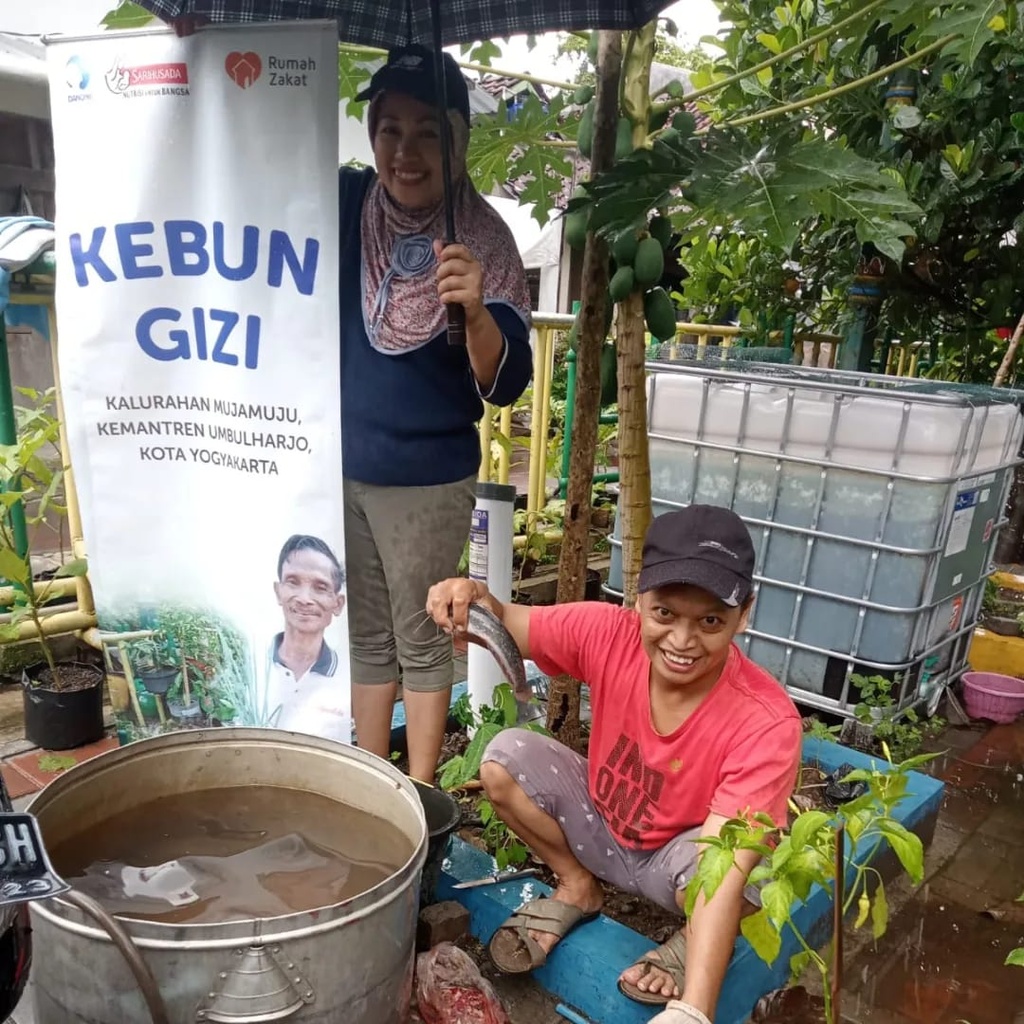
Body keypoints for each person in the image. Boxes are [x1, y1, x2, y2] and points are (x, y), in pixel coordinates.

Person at [425, 505, 803, 1024]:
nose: (683, 642)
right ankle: (578, 885)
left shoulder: (765, 722)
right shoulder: (608, 633)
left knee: (750, 872)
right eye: (665, 614)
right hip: (602, 826)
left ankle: (692, 940)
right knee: (504, 758)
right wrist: (470, 597)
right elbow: (507, 620)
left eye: (710, 621)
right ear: (639, 599)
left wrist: (693, 1010)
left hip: (682, 864)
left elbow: (723, 867)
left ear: (745, 614)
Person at [341, 46, 533, 784]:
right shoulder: (347, 205)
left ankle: (417, 796)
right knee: (367, 636)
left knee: (421, 637)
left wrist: (477, 309)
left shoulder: (481, 238)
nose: (406, 151)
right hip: (341, 468)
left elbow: (507, 380)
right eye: (390, 129)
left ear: (460, 140)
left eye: (428, 132)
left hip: (426, 481)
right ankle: (368, 783)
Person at [265, 534, 348, 741]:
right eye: (293, 582)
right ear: (278, 591)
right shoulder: (251, 673)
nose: (304, 599)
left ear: (337, 604)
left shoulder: (348, 676)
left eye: (320, 587)